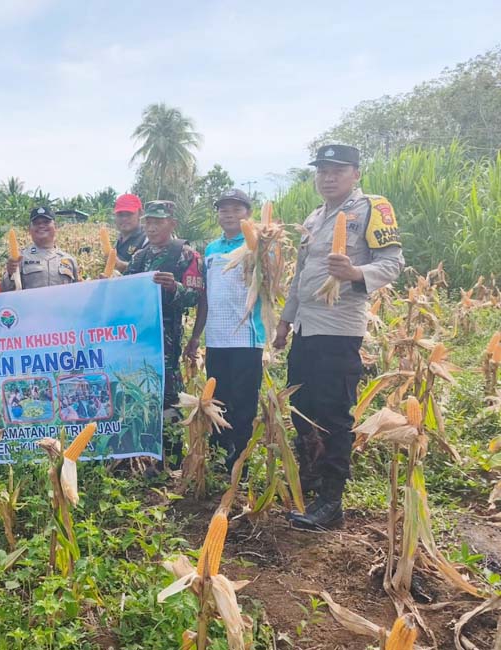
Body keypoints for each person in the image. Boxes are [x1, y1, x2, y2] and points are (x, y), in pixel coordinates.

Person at [275, 144, 404, 530]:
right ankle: (310, 485)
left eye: (337, 170)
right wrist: (285, 322)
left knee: (333, 414)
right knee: (301, 407)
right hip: (307, 329)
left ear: (355, 174)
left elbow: (393, 263)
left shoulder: (371, 208)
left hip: (339, 329)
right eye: (322, 171)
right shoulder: (315, 218)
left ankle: (331, 502)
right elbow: (300, 276)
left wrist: (355, 273)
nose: (328, 177)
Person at [186, 188, 265, 473]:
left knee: (244, 403)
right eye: (223, 209)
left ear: (248, 213)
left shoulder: (259, 245)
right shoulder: (211, 249)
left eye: (236, 208)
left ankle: (239, 463)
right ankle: (222, 457)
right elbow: (206, 295)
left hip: (247, 338)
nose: (229, 214)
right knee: (217, 401)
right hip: (217, 340)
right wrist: (196, 335)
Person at [125, 200, 205, 465]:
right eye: (148, 221)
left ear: (172, 223)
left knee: (169, 396)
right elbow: (124, 294)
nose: (152, 227)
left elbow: (197, 297)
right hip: (138, 336)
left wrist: (174, 288)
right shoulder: (139, 257)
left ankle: (170, 458)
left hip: (167, 336)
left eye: (158, 222)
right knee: (138, 390)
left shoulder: (186, 256)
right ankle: (140, 453)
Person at [1, 207, 80, 290]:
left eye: (46, 222)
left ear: (55, 226)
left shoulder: (69, 260)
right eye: (36, 223)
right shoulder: (19, 259)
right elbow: (5, 291)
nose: (41, 226)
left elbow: (76, 292)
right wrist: (10, 273)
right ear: (29, 229)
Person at [112, 193, 148, 271]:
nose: (124, 218)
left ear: (140, 213)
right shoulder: (117, 241)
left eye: (129, 214)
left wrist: (121, 265)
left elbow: (149, 269)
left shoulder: (147, 238)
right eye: (120, 214)